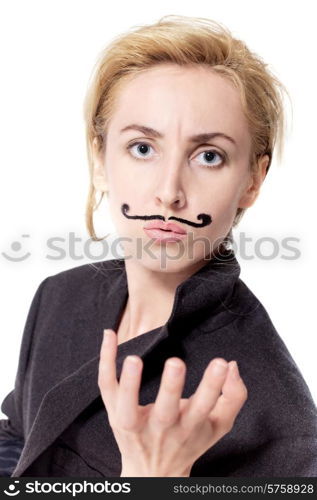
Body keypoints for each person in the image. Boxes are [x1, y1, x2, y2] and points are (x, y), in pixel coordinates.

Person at [1, 14, 317, 477]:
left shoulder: (283, 424)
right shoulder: (58, 296)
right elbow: (19, 437)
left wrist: (156, 481)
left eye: (209, 156)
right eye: (143, 148)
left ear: (252, 180)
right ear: (100, 161)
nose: (169, 191)